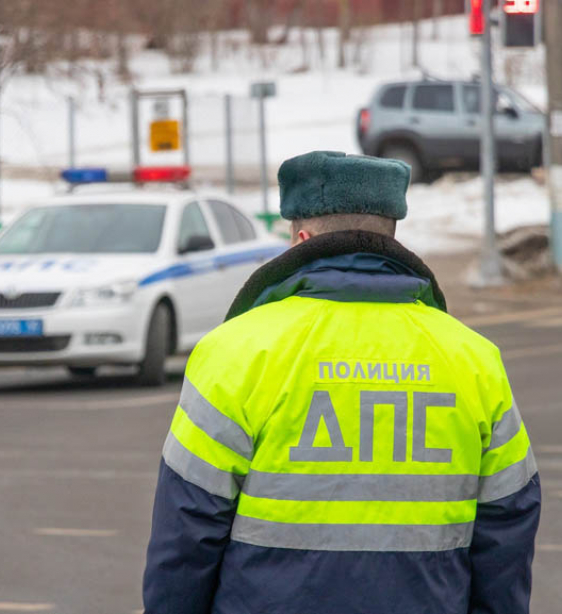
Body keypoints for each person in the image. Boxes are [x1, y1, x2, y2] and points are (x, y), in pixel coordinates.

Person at [143, 151, 540, 614]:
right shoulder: (474, 360)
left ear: (302, 238)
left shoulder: (234, 352)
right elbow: (509, 523)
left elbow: (186, 530)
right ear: (391, 236)